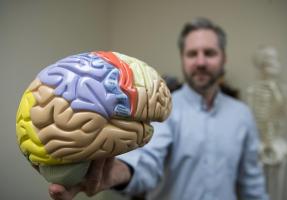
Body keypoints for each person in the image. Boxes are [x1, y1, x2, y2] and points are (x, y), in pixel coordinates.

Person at [49, 17, 268, 200]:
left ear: (223, 58)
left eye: (209, 53)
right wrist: (113, 174)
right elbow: (147, 164)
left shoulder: (242, 115)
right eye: (192, 54)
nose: (200, 62)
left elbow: (252, 184)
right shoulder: (163, 112)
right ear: (183, 59)